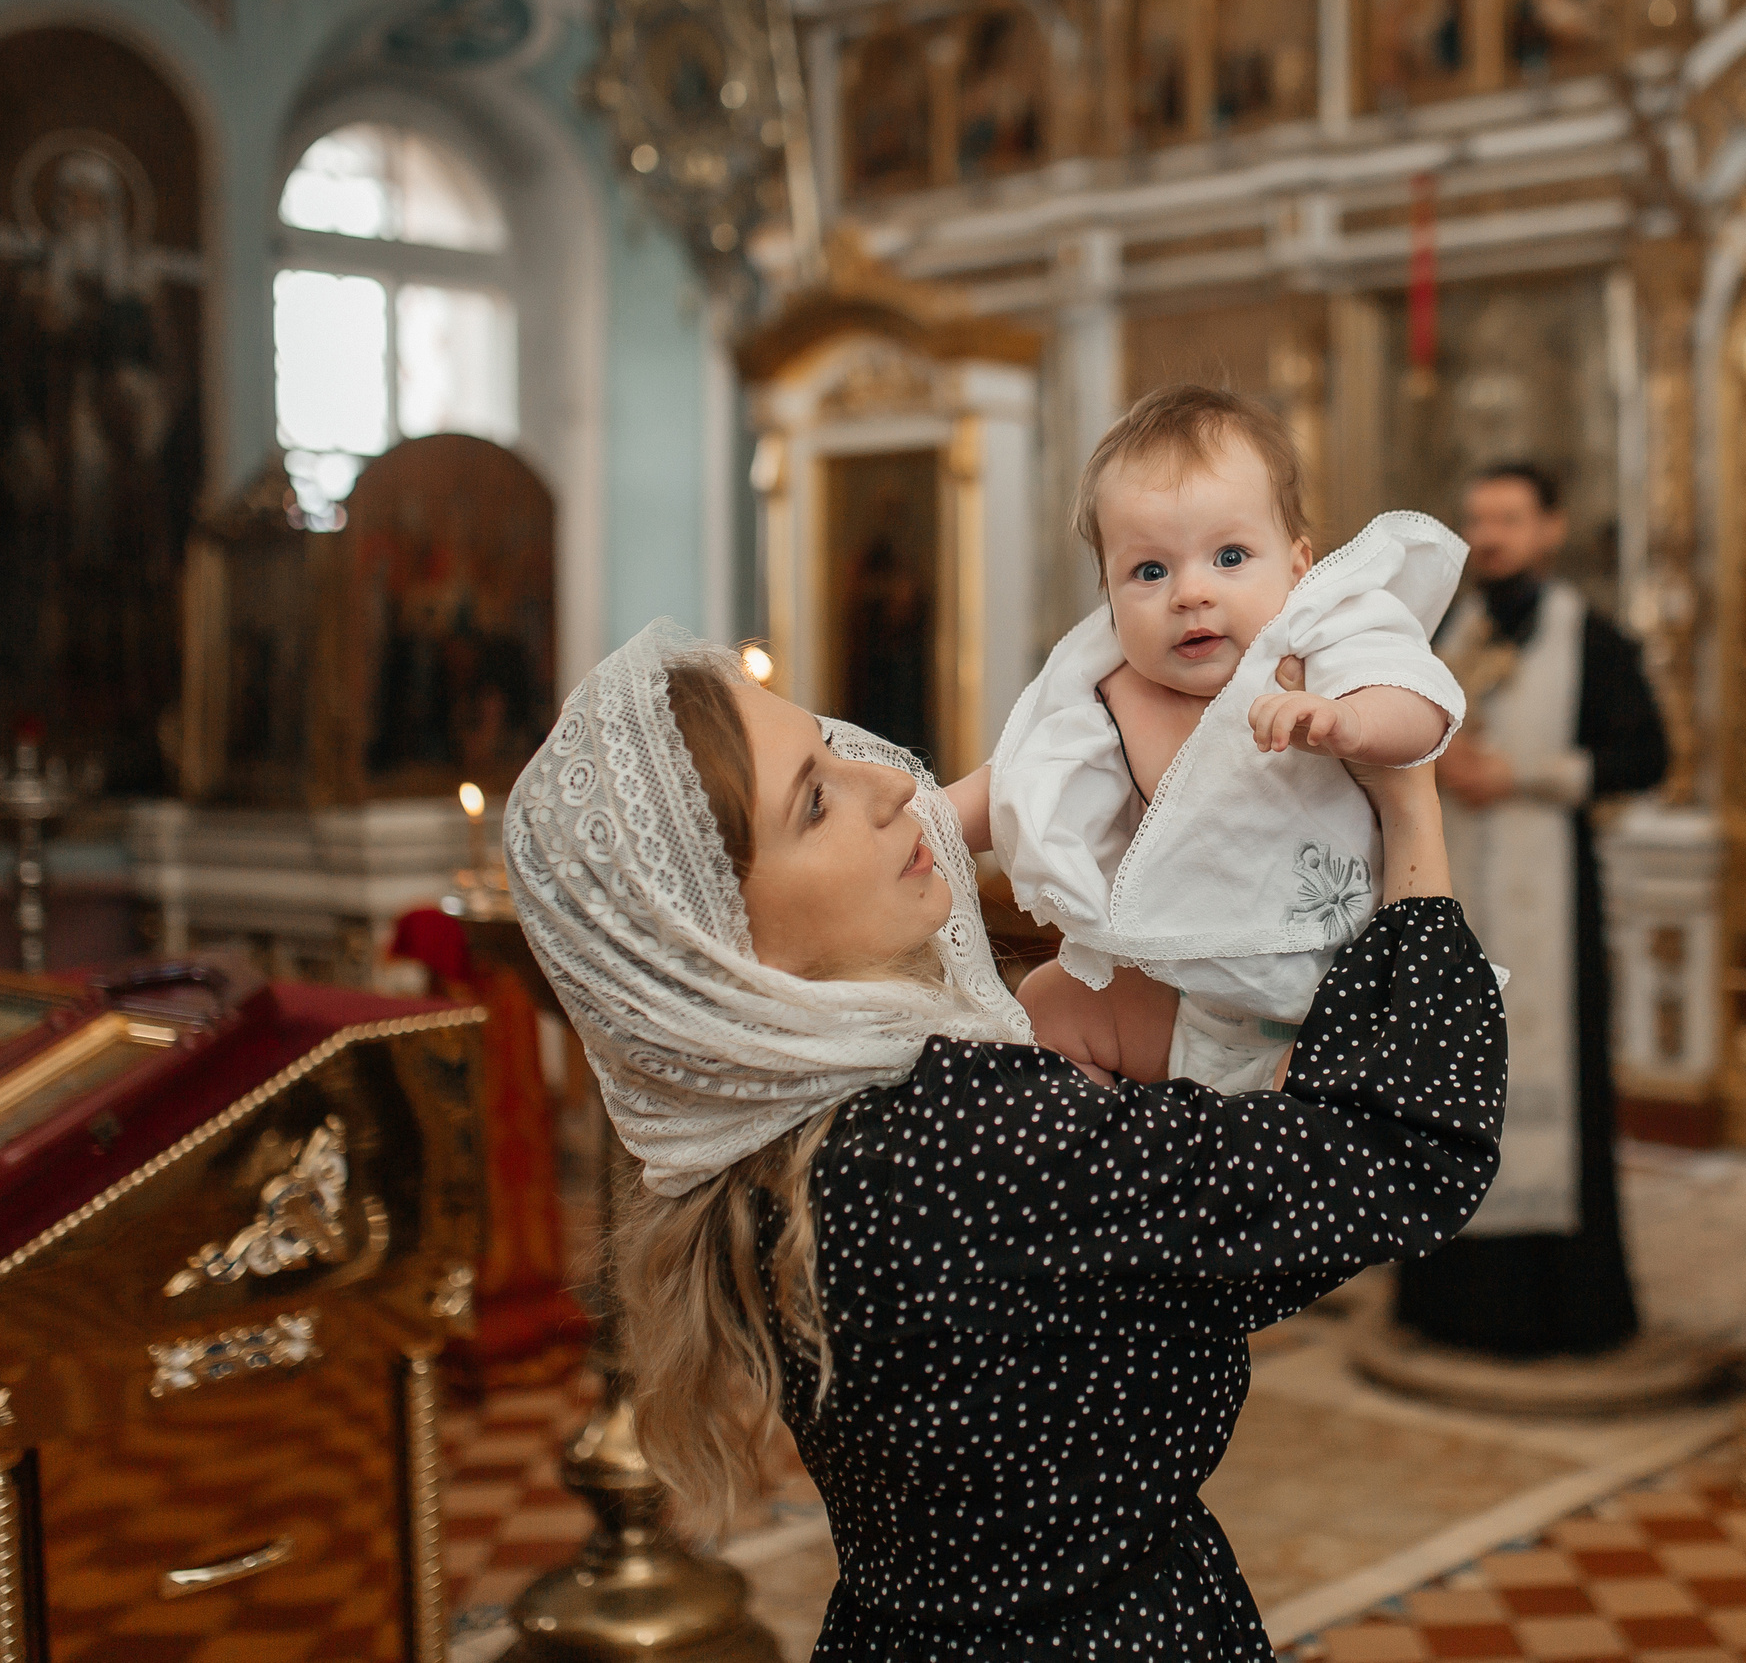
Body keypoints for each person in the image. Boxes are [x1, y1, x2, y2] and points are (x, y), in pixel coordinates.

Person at [504, 618, 1504, 1660]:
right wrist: (1405, 803)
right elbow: (1400, 1154)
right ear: (714, 944)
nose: (887, 785)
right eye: (814, 800)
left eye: (837, 749)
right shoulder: (964, 1137)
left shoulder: (788, 1133)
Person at [945, 384, 1466, 1095]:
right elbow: (1013, 783)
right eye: (1149, 571)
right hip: (1191, 1005)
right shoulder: (1109, 690)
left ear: (1298, 563)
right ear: (1107, 593)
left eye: (1229, 556)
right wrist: (925, 817)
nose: (1190, 592)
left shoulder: (1319, 637)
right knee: (1047, 999)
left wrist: (1351, 721)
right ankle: (1114, 1148)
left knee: (1329, 1120)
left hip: (1334, 1003)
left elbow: (1422, 710)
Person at [1395, 461, 1668, 1358]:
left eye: (1511, 517)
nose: (1494, 535)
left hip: (1554, 891)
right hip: (1457, 888)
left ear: (1550, 528)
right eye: (1479, 519)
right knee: (1447, 1077)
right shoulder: (1444, 634)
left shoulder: (1594, 640)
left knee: (1554, 1079)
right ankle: (1448, 1300)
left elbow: (1645, 757)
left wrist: (1528, 777)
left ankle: (1564, 1307)